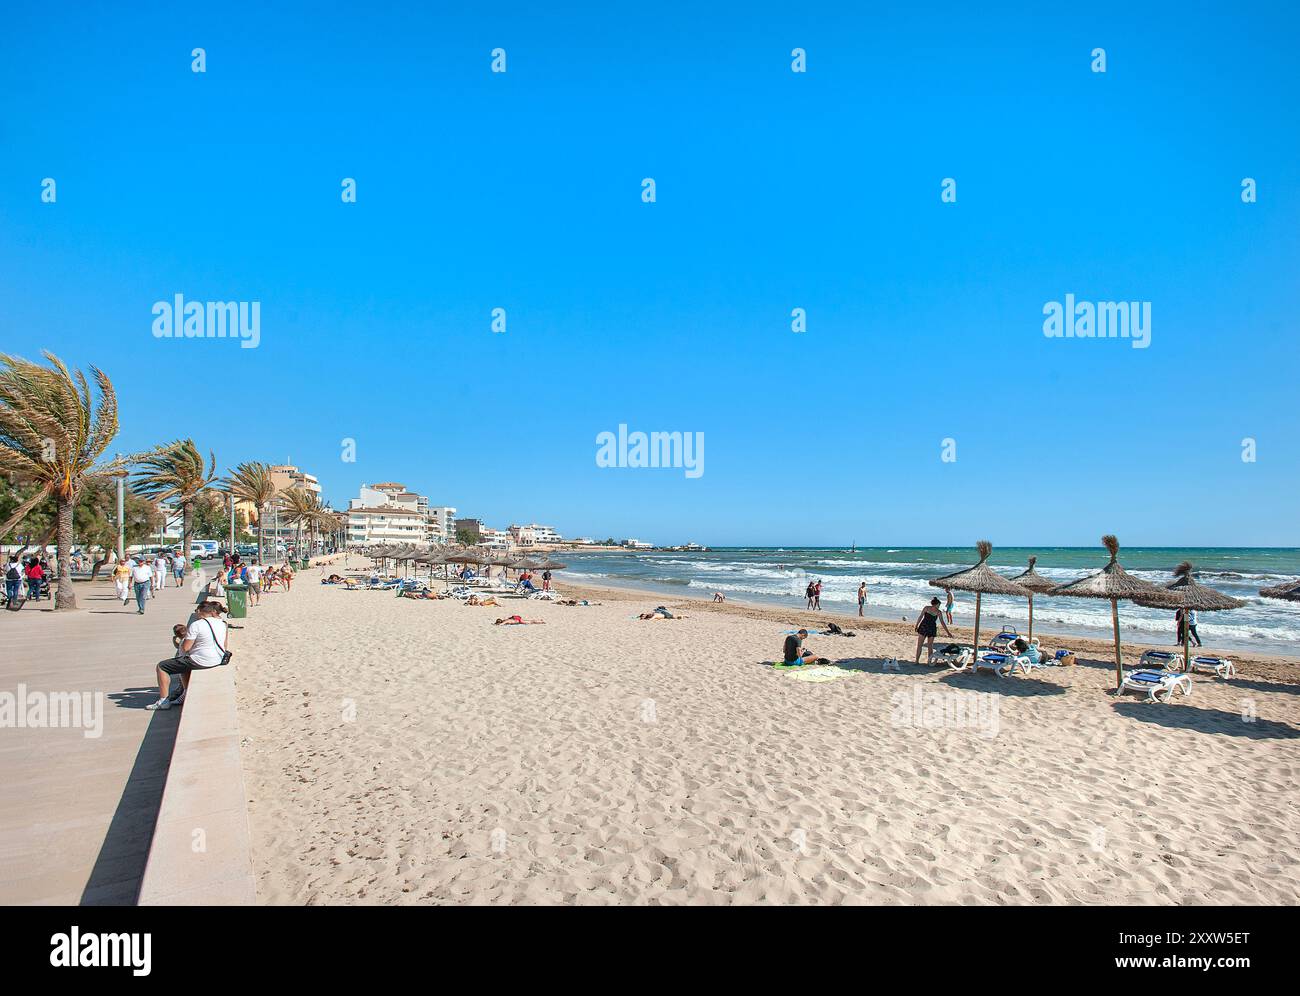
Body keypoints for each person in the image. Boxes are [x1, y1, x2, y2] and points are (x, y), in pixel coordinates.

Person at [147, 600, 230, 710]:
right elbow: (224, 644)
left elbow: (186, 647)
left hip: (203, 660)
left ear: (200, 611)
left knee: (161, 666)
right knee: (184, 664)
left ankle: (163, 701)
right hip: (218, 658)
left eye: (196, 611)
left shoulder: (196, 625)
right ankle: (185, 692)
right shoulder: (222, 624)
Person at [914, 597, 954, 664]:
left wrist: (948, 632)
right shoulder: (928, 608)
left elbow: (942, 623)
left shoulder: (936, 611)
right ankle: (917, 661)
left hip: (929, 628)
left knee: (929, 646)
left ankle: (928, 661)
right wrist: (916, 625)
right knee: (921, 645)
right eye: (939, 605)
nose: (939, 606)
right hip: (925, 627)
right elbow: (920, 616)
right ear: (936, 604)